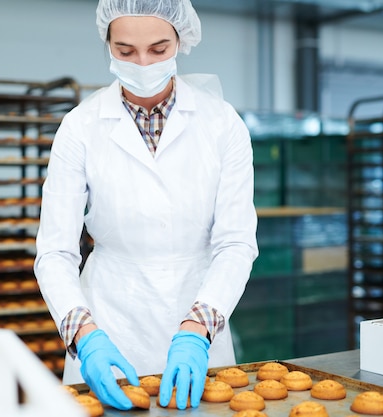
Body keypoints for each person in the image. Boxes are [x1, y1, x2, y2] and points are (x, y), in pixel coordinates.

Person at [34, 0, 258, 411]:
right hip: (109, 316)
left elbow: (236, 243)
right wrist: (84, 334)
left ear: (181, 40)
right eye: (125, 51)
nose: (142, 62)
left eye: (158, 50)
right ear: (107, 44)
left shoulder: (222, 124)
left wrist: (196, 329)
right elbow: (54, 252)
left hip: (200, 315)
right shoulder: (79, 127)